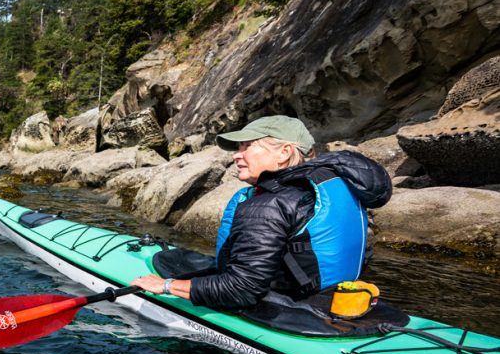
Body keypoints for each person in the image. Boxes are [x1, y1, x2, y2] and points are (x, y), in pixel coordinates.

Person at [131, 115, 392, 308]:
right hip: (339, 299)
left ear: (284, 153)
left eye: (247, 147)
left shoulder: (270, 204)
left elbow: (240, 290)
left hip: (289, 305)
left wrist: (165, 286)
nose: (236, 155)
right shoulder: (335, 183)